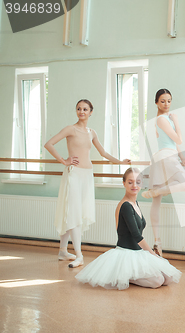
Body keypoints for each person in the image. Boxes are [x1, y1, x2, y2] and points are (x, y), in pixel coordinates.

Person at [44, 99, 130, 268]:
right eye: (78, 109)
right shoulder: (70, 129)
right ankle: (79, 255)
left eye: (85, 109)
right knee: (74, 213)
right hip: (74, 175)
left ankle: (62, 250)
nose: (81, 111)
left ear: (91, 112)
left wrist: (120, 162)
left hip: (87, 175)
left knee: (74, 212)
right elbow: (48, 144)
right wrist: (64, 160)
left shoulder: (92, 132)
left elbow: (103, 152)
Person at [75, 168, 182, 290]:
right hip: (126, 253)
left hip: (139, 253)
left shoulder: (135, 203)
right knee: (157, 281)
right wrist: (153, 254)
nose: (134, 185)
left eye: (138, 182)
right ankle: (123, 275)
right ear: (124, 183)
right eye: (130, 182)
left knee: (168, 278)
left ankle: (129, 274)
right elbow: (136, 236)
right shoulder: (126, 205)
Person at [141, 89, 185, 256]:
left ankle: (157, 243)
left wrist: (182, 157)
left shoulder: (162, 120)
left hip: (164, 157)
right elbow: (179, 139)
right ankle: (157, 241)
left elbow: (173, 143)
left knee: (157, 201)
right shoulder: (163, 119)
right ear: (156, 102)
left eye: (169, 101)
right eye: (163, 101)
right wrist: (176, 121)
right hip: (165, 157)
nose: (166, 104)